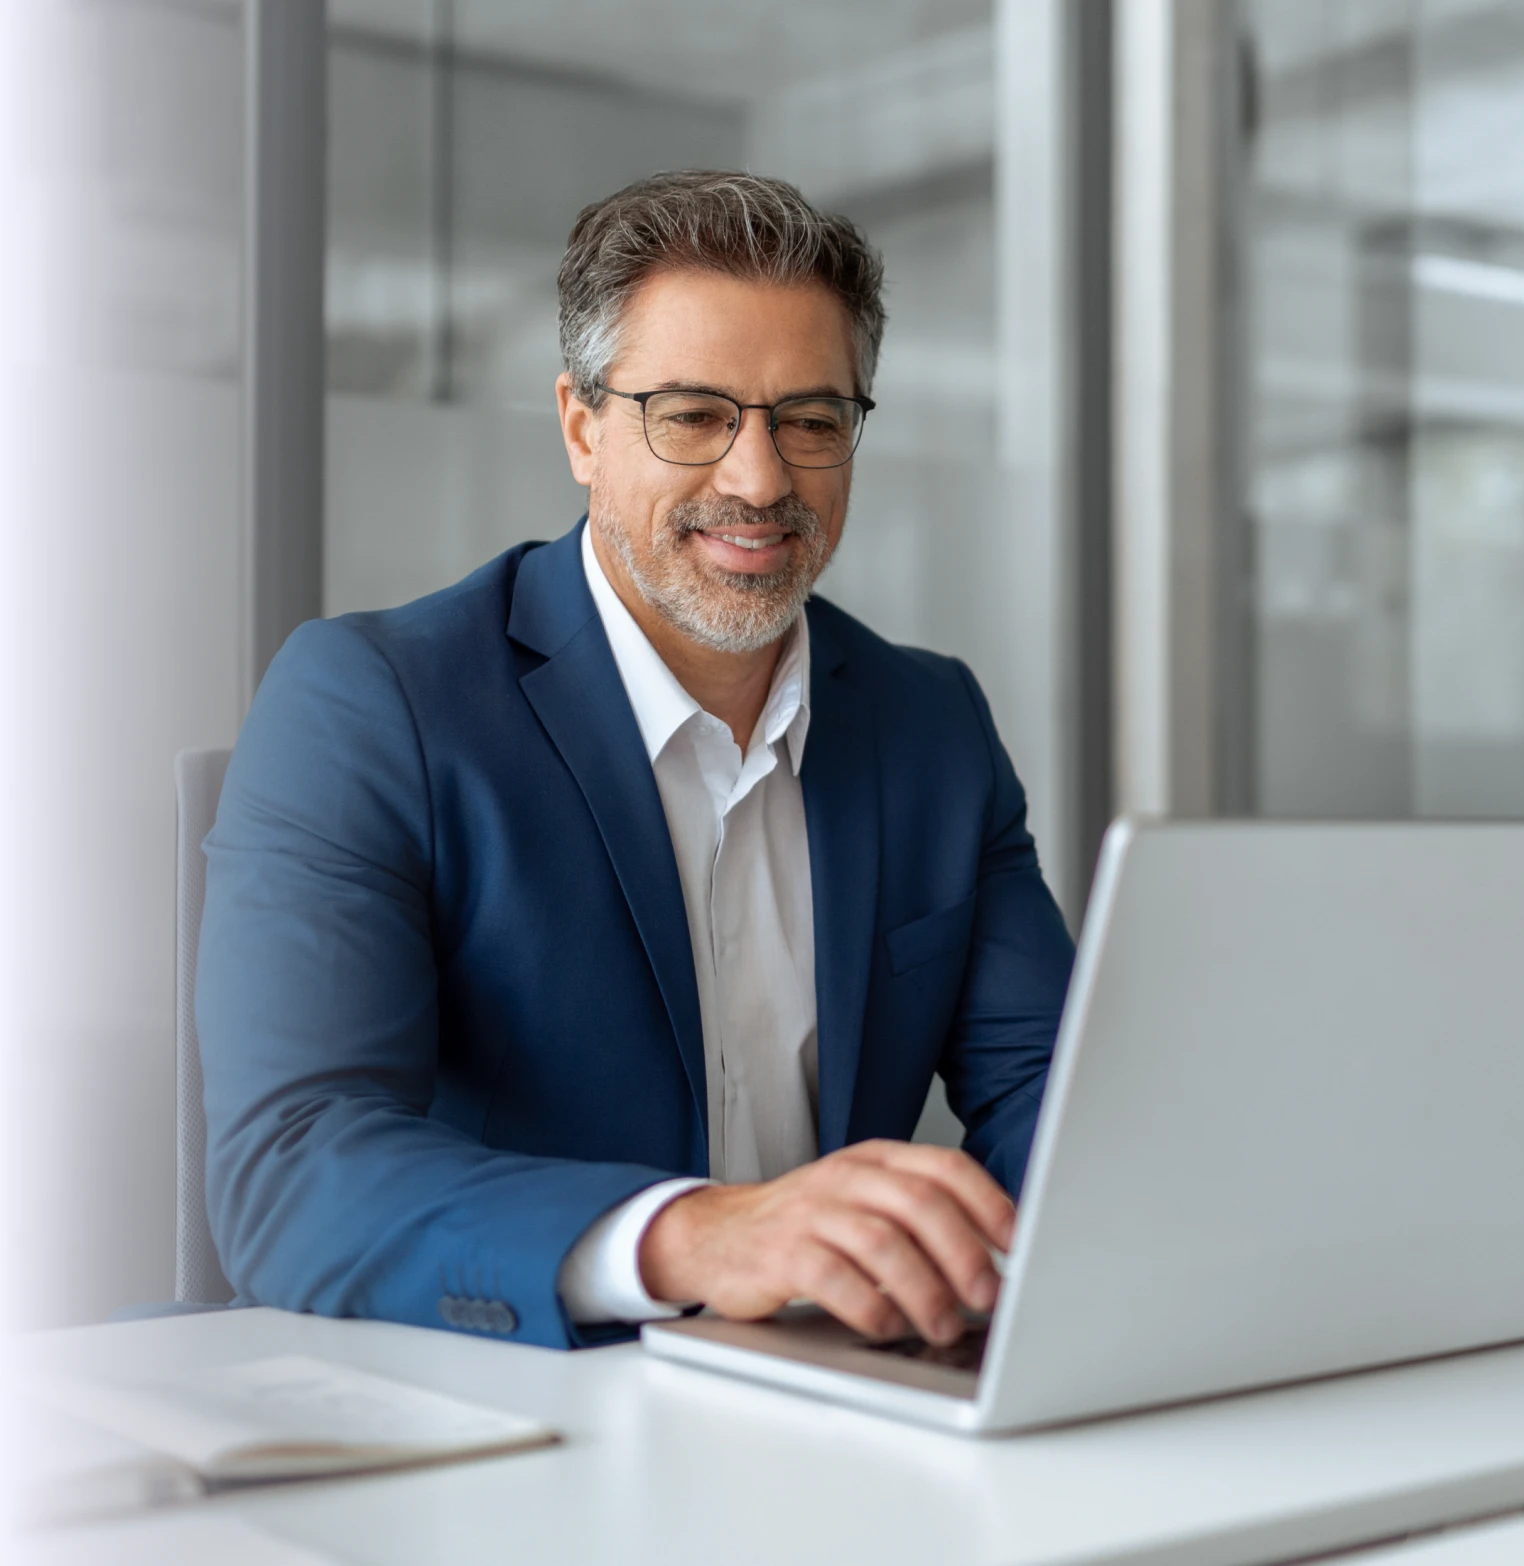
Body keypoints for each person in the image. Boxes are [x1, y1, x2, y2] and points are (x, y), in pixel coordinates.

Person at [197, 171, 1074, 1352]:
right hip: (504, 1412)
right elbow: (292, 1166)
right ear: (581, 428)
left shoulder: (935, 726)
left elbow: (1054, 1105)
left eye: (811, 419)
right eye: (695, 415)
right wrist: (696, 1236)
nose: (760, 480)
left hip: (830, 1394)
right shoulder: (372, 703)